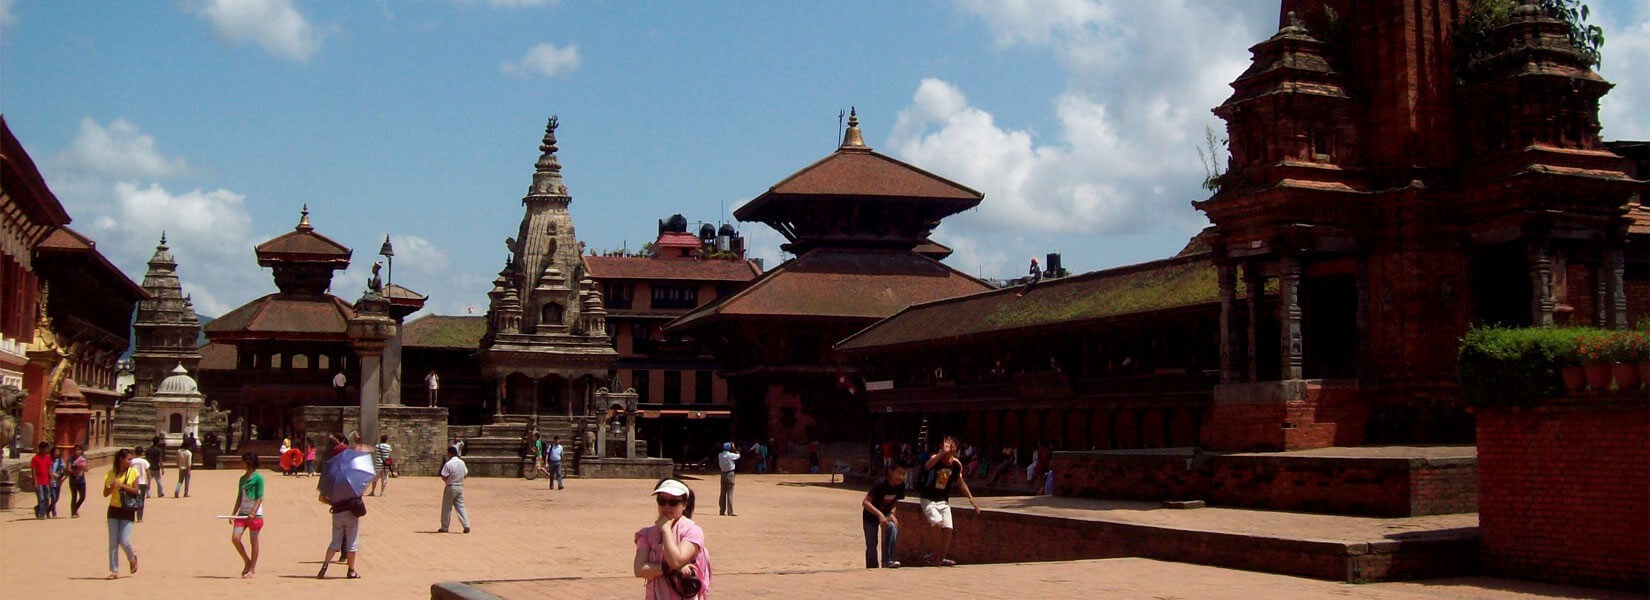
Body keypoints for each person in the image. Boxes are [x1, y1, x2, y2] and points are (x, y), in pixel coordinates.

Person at [634, 479, 712, 599]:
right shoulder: (646, 534)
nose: (666, 506)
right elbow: (640, 569)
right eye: (662, 501)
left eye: (673, 502)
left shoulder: (692, 531)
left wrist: (666, 530)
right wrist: (673, 570)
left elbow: (675, 561)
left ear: (684, 504)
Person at [920, 436, 980, 567]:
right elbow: (927, 466)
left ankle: (939, 559)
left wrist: (971, 498)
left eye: (951, 445)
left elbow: (960, 482)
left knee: (948, 529)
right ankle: (931, 553)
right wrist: (942, 453)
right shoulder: (935, 458)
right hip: (928, 499)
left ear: (955, 448)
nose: (949, 447)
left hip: (943, 500)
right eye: (946, 444)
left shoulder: (956, 464)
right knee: (937, 524)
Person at [318, 433, 363, 580]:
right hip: (350, 512)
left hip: (337, 512)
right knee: (352, 542)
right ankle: (351, 570)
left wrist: (333, 503)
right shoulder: (353, 472)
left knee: (335, 541)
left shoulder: (330, 474)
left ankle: (325, 565)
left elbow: (321, 497)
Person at [103, 448, 141, 579]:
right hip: (113, 509)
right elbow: (105, 494)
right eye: (128, 459)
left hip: (127, 510)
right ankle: (114, 570)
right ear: (121, 460)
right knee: (113, 542)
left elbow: (136, 491)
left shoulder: (133, 472)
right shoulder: (110, 473)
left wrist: (122, 485)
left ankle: (132, 557)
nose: (131, 461)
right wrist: (111, 487)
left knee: (124, 540)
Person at [862, 463, 906, 569]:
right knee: (872, 545)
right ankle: (872, 568)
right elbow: (865, 502)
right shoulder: (880, 484)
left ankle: (888, 561)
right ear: (891, 472)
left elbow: (895, 501)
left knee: (893, 528)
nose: (901, 476)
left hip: (886, 514)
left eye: (904, 474)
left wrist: (892, 514)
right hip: (871, 515)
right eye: (898, 473)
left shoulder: (901, 485)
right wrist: (880, 515)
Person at [231, 452, 265, 578]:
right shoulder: (242, 479)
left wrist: (253, 512)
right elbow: (239, 497)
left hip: (255, 515)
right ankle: (247, 561)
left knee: (254, 540)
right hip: (242, 513)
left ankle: (252, 569)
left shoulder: (258, 478)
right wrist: (233, 513)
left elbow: (260, 497)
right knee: (235, 538)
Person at [438, 445, 470, 533]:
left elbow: (444, 476)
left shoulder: (449, 464)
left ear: (450, 453)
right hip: (459, 486)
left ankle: (444, 527)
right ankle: (466, 524)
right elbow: (465, 474)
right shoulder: (462, 463)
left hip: (450, 486)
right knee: (460, 506)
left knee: (447, 508)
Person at [716, 442, 740, 517]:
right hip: (730, 474)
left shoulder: (720, 455)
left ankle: (722, 510)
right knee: (730, 493)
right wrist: (734, 448)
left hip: (722, 474)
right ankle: (730, 511)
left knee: (722, 493)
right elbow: (738, 455)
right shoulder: (731, 455)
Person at [29, 441, 52, 519]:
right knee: (41, 498)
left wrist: (51, 479)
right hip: (39, 481)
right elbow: (33, 471)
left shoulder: (48, 458)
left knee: (47, 498)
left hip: (46, 481)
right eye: (46, 448)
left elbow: (49, 469)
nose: (47, 450)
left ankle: (39, 509)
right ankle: (42, 514)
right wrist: (35, 482)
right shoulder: (35, 458)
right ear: (41, 449)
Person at [129, 446, 151, 522]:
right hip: (142, 483)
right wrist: (149, 483)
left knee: (132, 500)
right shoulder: (145, 462)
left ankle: (131, 517)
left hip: (133, 483)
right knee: (141, 501)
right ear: (142, 453)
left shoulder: (132, 461)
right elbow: (148, 473)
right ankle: (139, 518)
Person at [68, 445, 89, 518]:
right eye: (76, 450)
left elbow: (87, 469)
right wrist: (75, 468)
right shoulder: (71, 458)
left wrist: (83, 466)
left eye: (79, 450)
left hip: (81, 480)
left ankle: (75, 508)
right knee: (74, 497)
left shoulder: (83, 458)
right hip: (73, 480)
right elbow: (69, 469)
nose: (77, 452)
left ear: (81, 451)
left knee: (82, 497)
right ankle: (73, 512)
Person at [48, 445, 66, 518]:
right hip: (51, 481)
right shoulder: (49, 460)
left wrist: (64, 476)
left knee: (57, 498)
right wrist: (52, 474)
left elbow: (64, 469)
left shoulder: (60, 460)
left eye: (58, 452)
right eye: (56, 452)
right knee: (53, 498)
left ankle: (48, 510)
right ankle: (54, 512)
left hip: (58, 481)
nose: (57, 453)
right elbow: (48, 469)